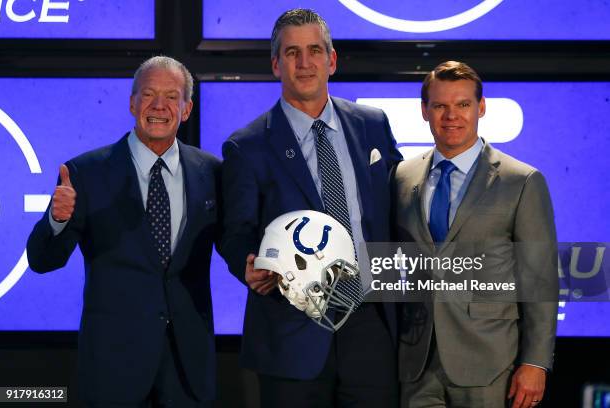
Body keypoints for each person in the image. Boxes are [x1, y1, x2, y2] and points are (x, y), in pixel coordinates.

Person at [221, 8, 403, 408]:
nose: (305, 63)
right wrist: (247, 263)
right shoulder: (247, 146)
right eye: (292, 53)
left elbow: (397, 211)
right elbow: (235, 230)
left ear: (332, 60)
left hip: (371, 326)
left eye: (315, 50)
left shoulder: (373, 125)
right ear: (275, 65)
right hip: (291, 328)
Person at [26, 56, 221, 408]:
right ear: (132, 103)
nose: (159, 106)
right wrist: (57, 221)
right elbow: (43, 260)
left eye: (171, 96)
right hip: (112, 368)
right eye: (148, 94)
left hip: (188, 368)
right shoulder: (85, 173)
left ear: (187, 108)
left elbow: (235, 244)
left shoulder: (212, 173)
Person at [392, 61, 558, 408]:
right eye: (440, 105)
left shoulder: (521, 181)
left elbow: (540, 278)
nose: (451, 115)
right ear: (425, 111)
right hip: (416, 363)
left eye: (463, 104)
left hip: (490, 364)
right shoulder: (402, 177)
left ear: (481, 108)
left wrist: (535, 362)